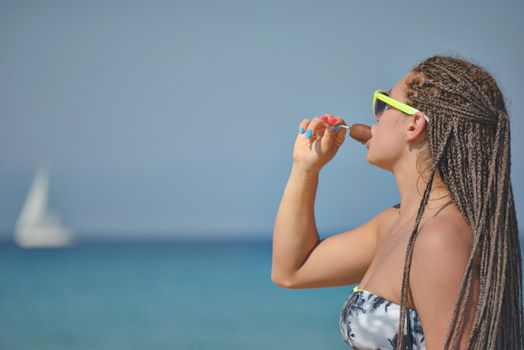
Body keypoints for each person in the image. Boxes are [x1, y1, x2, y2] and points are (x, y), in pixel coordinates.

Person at [271, 55, 523, 349]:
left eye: (383, 103)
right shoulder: (395, 222)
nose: (375, 116)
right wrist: (305, 169)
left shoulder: (439, 239)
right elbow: (292, 270)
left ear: (414, 124)